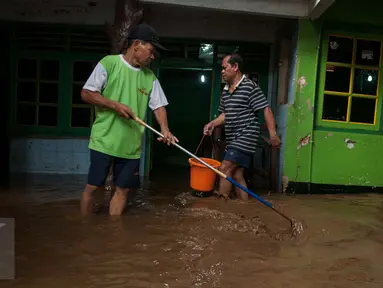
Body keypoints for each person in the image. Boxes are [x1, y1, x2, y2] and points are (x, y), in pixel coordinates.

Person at [80, 23, 178, 216]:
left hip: (131, 147)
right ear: (136, 45)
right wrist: (114, 105)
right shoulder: (109, 63)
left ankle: (113, 233)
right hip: (104, 141)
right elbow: (86, 93)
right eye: (150, 51)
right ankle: (84, 227)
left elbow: (159, 106)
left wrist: (165, 129)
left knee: (123, 190)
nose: (153, 56)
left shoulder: (150, 77)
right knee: (93, 187)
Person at [203, 53, 280, 201]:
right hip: (233, 138)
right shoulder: (225, 91)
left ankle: (221, 205)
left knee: (224, 168)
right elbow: (225, 114)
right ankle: (245, 207)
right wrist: (212, 123)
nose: (222, 71)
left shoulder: (250, 87)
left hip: (246, 136)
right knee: (237, 174)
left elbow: (266, 109)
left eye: (225, 68)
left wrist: (273, 134)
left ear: (235, 67)